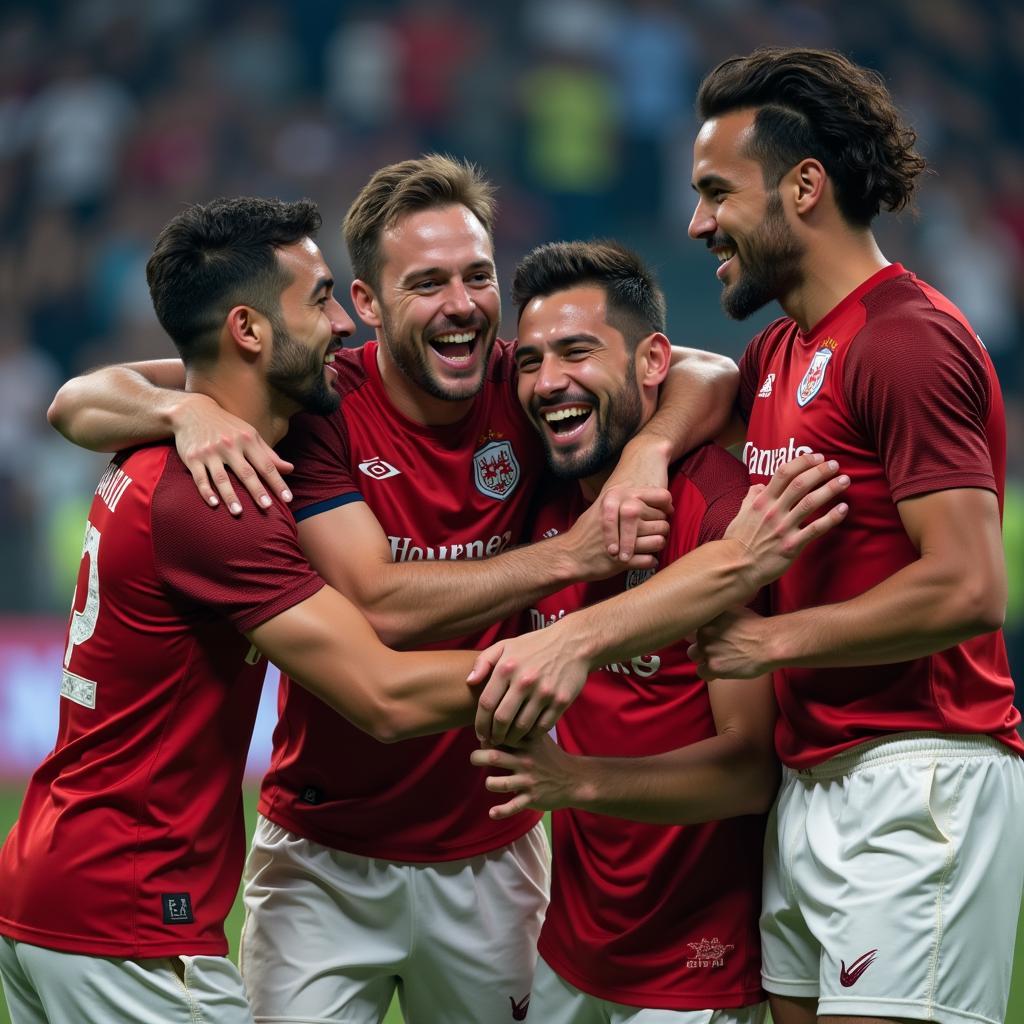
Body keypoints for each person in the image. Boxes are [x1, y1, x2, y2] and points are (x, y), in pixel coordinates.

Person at [45, 156, 743, 1023]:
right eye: (428, 282)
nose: (462, 304)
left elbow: (705, 371)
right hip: (321, 859)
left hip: (494, 848)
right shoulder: (319, 399)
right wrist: (184, 410)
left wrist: (645, 450)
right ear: (368, 307)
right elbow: (81, 399)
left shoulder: (526, 385)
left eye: (477, 276)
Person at [474, 47, 1024, 1024]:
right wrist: (646, 456)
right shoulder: (780, 351)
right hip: (811, 783)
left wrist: (769, 640)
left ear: (803, 187)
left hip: (916, 772)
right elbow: (683, 373)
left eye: (716, 192)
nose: (696, 223)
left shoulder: (906, 340)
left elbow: (968, 587)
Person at [0, 195, 514, 1024]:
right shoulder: (221, 498)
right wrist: (581, 648)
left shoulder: (174, 444)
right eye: (317, 298)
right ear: (248, 331)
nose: (343, 324)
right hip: (132, 914)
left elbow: (76, 401)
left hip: (60, 885)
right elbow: (383, 697)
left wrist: (182, 406)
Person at [470, 238, 787, 1024]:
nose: (550, 383)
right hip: (568, 951)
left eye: (578, 352)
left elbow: (749, 772)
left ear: (653, 361)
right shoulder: (539, 495)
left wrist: (575, 783)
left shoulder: (715, 511)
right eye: (533, 361)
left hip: (698, 969)